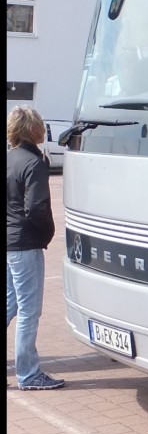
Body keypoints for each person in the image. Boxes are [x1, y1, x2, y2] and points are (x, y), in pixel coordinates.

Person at [6, 106, 65, 391]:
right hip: (25, 244)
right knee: (29, 310)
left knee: (9, 304)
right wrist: (47, 233)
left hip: (8, 242)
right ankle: (28, 374)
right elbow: (36, 208)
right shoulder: (34, 163)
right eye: (41, 125)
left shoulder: (9, 159)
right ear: (33, 130)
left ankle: (26, 371)